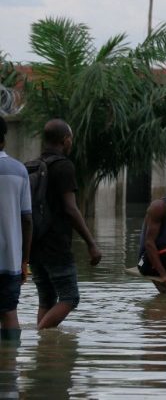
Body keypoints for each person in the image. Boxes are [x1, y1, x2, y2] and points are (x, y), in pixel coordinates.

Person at [29, 119, 102, 330]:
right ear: (65, 140)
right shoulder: (63, 166)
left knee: (46, 298)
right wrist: (91, 243)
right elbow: (71, 208)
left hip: (34, 242)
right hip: (56, 244)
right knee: (70, 297)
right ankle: (41, 333)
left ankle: (45, 349)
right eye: (71, 140)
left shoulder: (33, 165)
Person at [0, 116, 32, 341]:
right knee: (10, 312)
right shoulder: (19, 171)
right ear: (3, 141)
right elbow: (27, 219)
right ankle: (9, 368)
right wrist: (24, 261)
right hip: (10, 260)